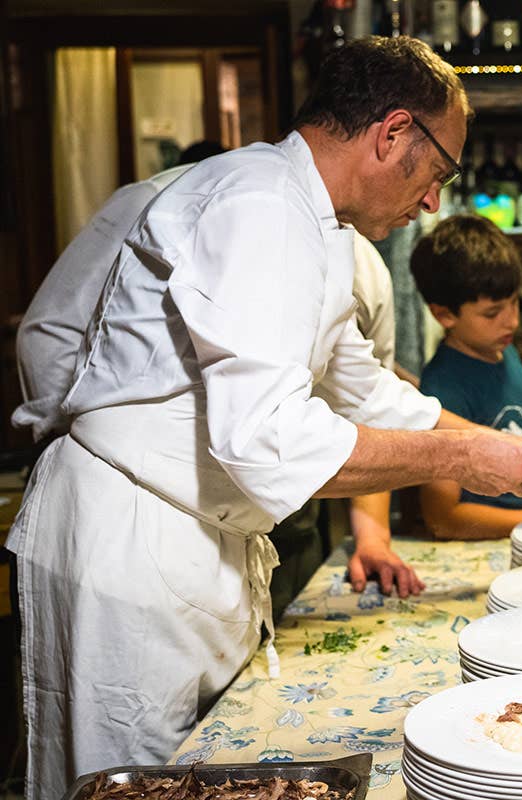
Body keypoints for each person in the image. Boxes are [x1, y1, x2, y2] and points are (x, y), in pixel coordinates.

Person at [8, 36, 522, 800]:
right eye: (441, 171)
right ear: (392, 133)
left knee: (201, 768)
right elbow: (269, 440)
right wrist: (460, 462)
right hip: (131, 535)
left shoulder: (314, 222)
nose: (432, 202)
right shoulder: (261, 204)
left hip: (193, 529)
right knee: (132, 780)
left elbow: (368, 389)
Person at [13, 148, 422, 612]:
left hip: (302, 489)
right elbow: (48, 333)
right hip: (148, 505)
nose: (428, 202)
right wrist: (91, 446)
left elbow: (368, 397)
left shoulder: (359, 259)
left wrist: (372, 533)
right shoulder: (150, 202)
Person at [410, 215, 522, 539]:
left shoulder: (503, 350)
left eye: (514, 303)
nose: (512, 321)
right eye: (492, 313)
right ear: (444, 314)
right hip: (510, 534)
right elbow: (443, 517)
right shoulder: (442, 390)